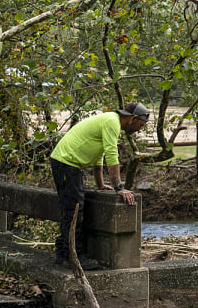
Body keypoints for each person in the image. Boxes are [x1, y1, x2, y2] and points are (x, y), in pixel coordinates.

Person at [48, 101, 149, 268]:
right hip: (66, 163)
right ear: (133, 118)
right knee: (74, 211)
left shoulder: (109, 120)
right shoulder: (112, 122)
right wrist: (119, 188)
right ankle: (73, 257)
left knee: (71, 208)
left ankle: (63, 254)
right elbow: (111, 154)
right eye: (141, 125)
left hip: (66, 163)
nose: (139, 129)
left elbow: (98, 156)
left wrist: (101, 184)